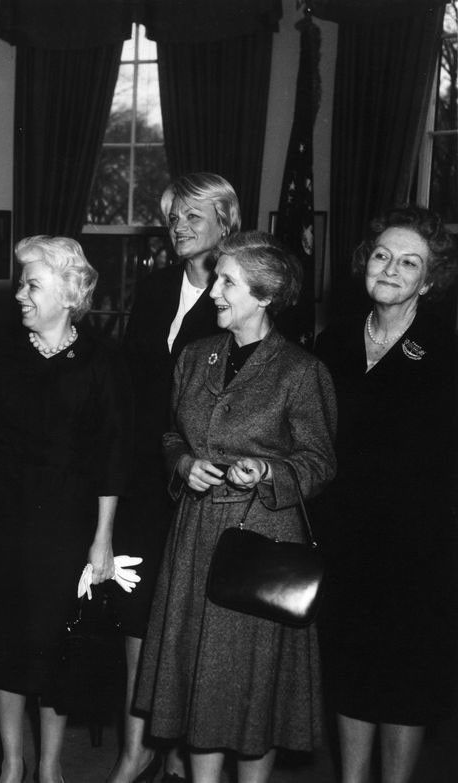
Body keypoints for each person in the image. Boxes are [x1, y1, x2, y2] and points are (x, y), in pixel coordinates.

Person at [133, 231, 336, 783]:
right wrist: (181, 464)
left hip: (261, 543)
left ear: (266, 295)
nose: (215, 291)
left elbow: (319, 462)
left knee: (253, 689)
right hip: (196, 535)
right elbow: (172, 435)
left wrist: (270, 470)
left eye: (227, 282)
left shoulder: (300, 371)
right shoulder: (197, 356)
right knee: (200, 684)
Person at [0, 236, 132, 783]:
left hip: (66, 523)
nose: (20, 296)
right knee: (1, 643)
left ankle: (50, 766)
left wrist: (102, 539)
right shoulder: (1, 357)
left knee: (53, 647)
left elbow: (111, 455)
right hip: (2, 519)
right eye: (22, 284)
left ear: (70, 291)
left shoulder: (102, 360)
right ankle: (12, 762)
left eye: (32, 284)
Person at [314, 206, 458, 783]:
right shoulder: (333, 342)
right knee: (349, 665)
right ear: (364, 265)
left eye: (409, 262)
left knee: (406, 675)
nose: (392, 269)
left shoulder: (447, 347)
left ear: (429, 279)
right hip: (345, 536)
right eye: (382, 256)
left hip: (422, 544)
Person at [108, 173, 238, 783]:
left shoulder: (241, 289)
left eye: (194, 217)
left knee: (190, 614)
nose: (179, 227)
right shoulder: (157, 286)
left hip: (202, 477)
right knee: (137, 607)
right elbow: (134, 383)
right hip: (141, 472)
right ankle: (137, 749)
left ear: (225, 222)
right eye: (174, 217)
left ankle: (186, 749)